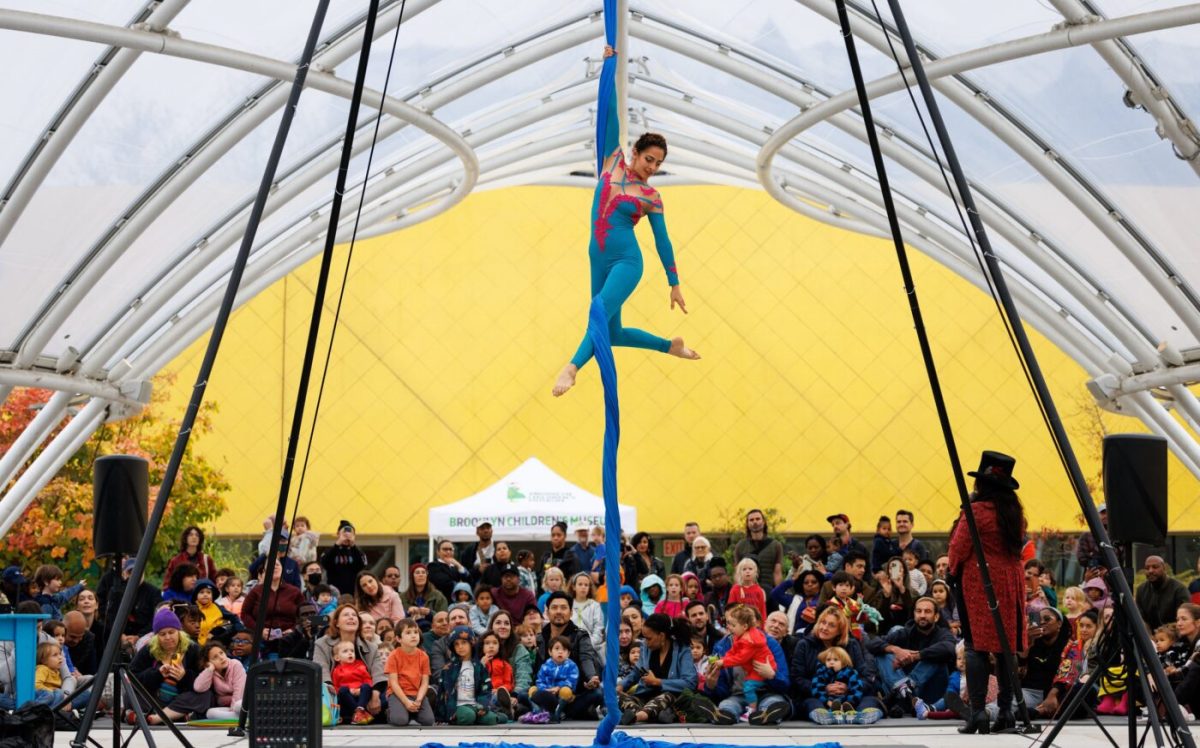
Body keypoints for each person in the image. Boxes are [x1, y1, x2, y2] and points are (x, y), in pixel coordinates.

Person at [552, 44, 697, 399]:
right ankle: (670, 346)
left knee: (598, 310)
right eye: (649, 159)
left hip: (626, 262)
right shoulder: (610, 159)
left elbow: (662, 240)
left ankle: (571, 367)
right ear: (635, 152)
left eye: (658, 164)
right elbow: (609, 112)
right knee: (611, 332)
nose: (652, 168)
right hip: (597, 258)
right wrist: (609, 65)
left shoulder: (651, 198)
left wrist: (674, 282)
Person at [949, 451, 1028, 735]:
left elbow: (958, 549)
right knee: (1005, 648)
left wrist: (952, 571)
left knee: (975, 645)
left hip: (980, 581)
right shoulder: (1015, 513)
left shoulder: (976, 512)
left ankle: (979, 712)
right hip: (1010, 581)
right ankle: (1006, 711)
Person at [790, 604, 884, 724]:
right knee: (812, 703)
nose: (824, 627)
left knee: (869, 700)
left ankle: (861, 716)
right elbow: (797, 677)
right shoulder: (804, 644)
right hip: (816, 694)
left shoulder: (851, 645)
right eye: (823, 622)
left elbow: (865, 676)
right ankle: (826, 716)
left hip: (850, 696)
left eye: (831, 625)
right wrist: (824, 689)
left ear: (840, 630)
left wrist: (848, 687)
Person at [871, 597, 956, 718]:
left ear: (936, 617)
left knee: (937, 655)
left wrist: (916, 656)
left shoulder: (942, 633)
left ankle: (904, 694)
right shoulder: (906, 632)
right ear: (914, 614)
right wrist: (896, 650)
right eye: (919, 611)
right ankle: (906, 694)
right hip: (904, 691)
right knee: (882, 652)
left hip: (931, 693)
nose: (922, 615)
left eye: (927, 611)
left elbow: (949, 648)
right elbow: (872, 643)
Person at [129, 607, 210, 723]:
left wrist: (184, 676)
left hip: (180, 699)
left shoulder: (192, 649)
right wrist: (157, 674)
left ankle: (155, 718)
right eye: (162, 634)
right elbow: (132, 676)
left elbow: (204, 678)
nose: (168, 637)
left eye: (171, 632)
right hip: (154, 699)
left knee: (206, 695)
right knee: (131, 693)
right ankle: (178, 715)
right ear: (156, 636)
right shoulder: (149, 649)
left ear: (179, 632)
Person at [616, 612, 699, 724]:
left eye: (649, 638)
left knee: (666, 696)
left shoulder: (682, 649)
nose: (645, 642)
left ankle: (638, 716)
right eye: (644, 638)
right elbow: (636, 672)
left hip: (669, 696)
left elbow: (690, 683)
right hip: (645, 697)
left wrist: (658, 682)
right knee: (615, 696)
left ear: (662, 636)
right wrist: (621, 685)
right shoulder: (646, 647)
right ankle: (653, 715)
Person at [313, 603, 388, 723]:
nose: (351, 617)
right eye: (346, 615)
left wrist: (375, 697)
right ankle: (360, 715)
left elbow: (378, 674)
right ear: (337, 622)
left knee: (385, 697)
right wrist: (332, 695)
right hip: (337, 694)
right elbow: (321, 670)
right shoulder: (322, 644)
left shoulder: (371, 647)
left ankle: (357, 715)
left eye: (354, 615)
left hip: (364, 694)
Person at [539, 592, 604, 720]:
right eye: (554, 607)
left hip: (573, 695)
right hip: (547, 691)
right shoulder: (540, 638)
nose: (558, 611)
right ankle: (564, 712)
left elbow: (587, 659)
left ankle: (558, 712)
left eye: (563, 608)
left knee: (597, 693)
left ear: (571, 613)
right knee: (525, 693)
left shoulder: (580, 636)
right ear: (547, 613)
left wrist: (591, 677)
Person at [711, 604, 775, 720]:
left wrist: (724, 662)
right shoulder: (738, 636)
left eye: (732, 625)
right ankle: (726, 714)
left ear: (745, 626)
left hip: (761, 670)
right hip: (746, 680)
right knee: (728, 704)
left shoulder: (749, 641)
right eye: (728, 623)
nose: (728, 627)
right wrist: (723, 659)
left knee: (748, 687)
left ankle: (753, 711)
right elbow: (732, 651)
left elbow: (740, 658)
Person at [239, 562, 307, 659]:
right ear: (265, 571)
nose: (274, 566)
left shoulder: (294, 591)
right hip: (264, 641)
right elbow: (245, 614)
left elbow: (305, 614)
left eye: (278, 565)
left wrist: (293, 629)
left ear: (282, 569)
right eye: (271, 564)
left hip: (291, 640)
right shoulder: (256, 591)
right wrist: (260, 630)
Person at [439, 626, 503, 725]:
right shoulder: (448, 668)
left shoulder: (479, 666)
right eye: (456, 644)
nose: (460, 647)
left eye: (464, 642)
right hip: (457, 707)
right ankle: (468, 717)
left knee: (490, 719)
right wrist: (441, 716)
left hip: (475, 705)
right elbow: (442, 692)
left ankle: (497, 716)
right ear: (453, 647)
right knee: (468, 716)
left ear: (471, 643)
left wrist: (483, 706)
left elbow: (486, 689)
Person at [1019, 607, 1070, 712]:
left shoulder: (1070, 646)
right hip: (1029, 691)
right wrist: (1027, 643)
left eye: (1047, 619)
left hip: (1057, 693)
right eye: (1038, 619)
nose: (1042, 622)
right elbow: (1018, 672)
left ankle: (1037, 712)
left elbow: (1068, 674)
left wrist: (1052, 695)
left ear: (1059, 624)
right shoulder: (1032, 643)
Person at [385, 619, 435, 725]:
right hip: (398, 694)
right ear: (399, 638)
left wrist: (419, 700)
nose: (413, 636)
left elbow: (425, 682)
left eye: (416, 632)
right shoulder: (394, 656)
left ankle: (410, 712)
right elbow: (393, 683)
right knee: (400, 721)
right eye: (408, 633)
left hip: (416, 693)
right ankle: (391, 712)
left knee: (428, 721)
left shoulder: (424, 656)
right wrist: (406, 702)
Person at [811, 646, 865, 724]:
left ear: (843, 662)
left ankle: (848, 711)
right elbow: (816, 689)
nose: (831, 662)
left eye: (835, 660)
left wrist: (850, 701)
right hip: (828, 701)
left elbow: (857, 688)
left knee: (850, 704)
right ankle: (833, 713)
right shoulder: (821, 673)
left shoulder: (850, 672)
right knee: (820, 703)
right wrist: (826, 701)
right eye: (828, 660)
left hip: (846, 700)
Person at [194, 641, 246, 719]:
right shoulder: (212, 672)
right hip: (230, 708)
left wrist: (230, 707)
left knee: (238, 705)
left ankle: (239, 718)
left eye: (221, 653)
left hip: (244, 702)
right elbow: (198, 688)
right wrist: (210, 669)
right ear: (208, 662)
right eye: (215, 657)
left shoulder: (235, 664)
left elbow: (239, 692)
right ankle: (240, 718)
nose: (221, 658)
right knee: (210, 713)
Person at [734, 509, 784, 589]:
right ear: (747, 524)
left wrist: (778, 594)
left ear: (763, 522)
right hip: (747, 592)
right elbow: (737, 572)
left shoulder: (775, 545)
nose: (755, 522)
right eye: (751, 520)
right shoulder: (740, 546)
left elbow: (777, 572)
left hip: (769, 591)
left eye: (758, 519)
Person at [1136, 556, 1190, 630]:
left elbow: (1184, 620)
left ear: (1164, 568)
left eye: (1155, 567)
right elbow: (1140, 619)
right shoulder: (1141, 590)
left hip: (1175, 636)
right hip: (1149, 638)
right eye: (1147, 568)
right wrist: (1149, 638)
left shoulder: (1179, 589)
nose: (1150, 571)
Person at [321, 520, 368, 597]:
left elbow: (362, 565)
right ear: (338, 534)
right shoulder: (330, 551)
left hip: (354, 592)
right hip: (334, 593)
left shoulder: (357, 551)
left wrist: (353, 546)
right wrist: (337, 544)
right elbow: (325, 563)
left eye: (350, 534)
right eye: (344, 534)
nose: (347, 537)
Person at [162, 526, 219, 590]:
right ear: (185, 538)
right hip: (182, 597)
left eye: (197, 535)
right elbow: (167, 584)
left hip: (201, 597)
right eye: (191, 535)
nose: (194, 537)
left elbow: (215, 581)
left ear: (200, 539)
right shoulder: (176, 560)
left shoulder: (207, 559)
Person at [569, 572, 605, 658]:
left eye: (586, 585)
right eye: (580, 584)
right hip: (570, 648)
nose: (583, 587)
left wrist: (588, 645)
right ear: (574, 587)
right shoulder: (567, 605)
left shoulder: (595, 605)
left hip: (590, 650)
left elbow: (598, 628)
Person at [403, 562, 447, 628]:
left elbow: (445, 618)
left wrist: (430, 613)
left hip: (432, 630)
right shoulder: (402, 597)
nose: (421, 575)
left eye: (423, 572)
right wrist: (408, 612)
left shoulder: (438, 596)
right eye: (417, 573)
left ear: (427, 576)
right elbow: (398, 617)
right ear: (412, 576)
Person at [62, 611, 97, 676]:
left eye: (80, 637)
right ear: (63, 630)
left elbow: (92, 670)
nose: (76, 641)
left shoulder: (88, 639)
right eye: (73, 637)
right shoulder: (53, 638)